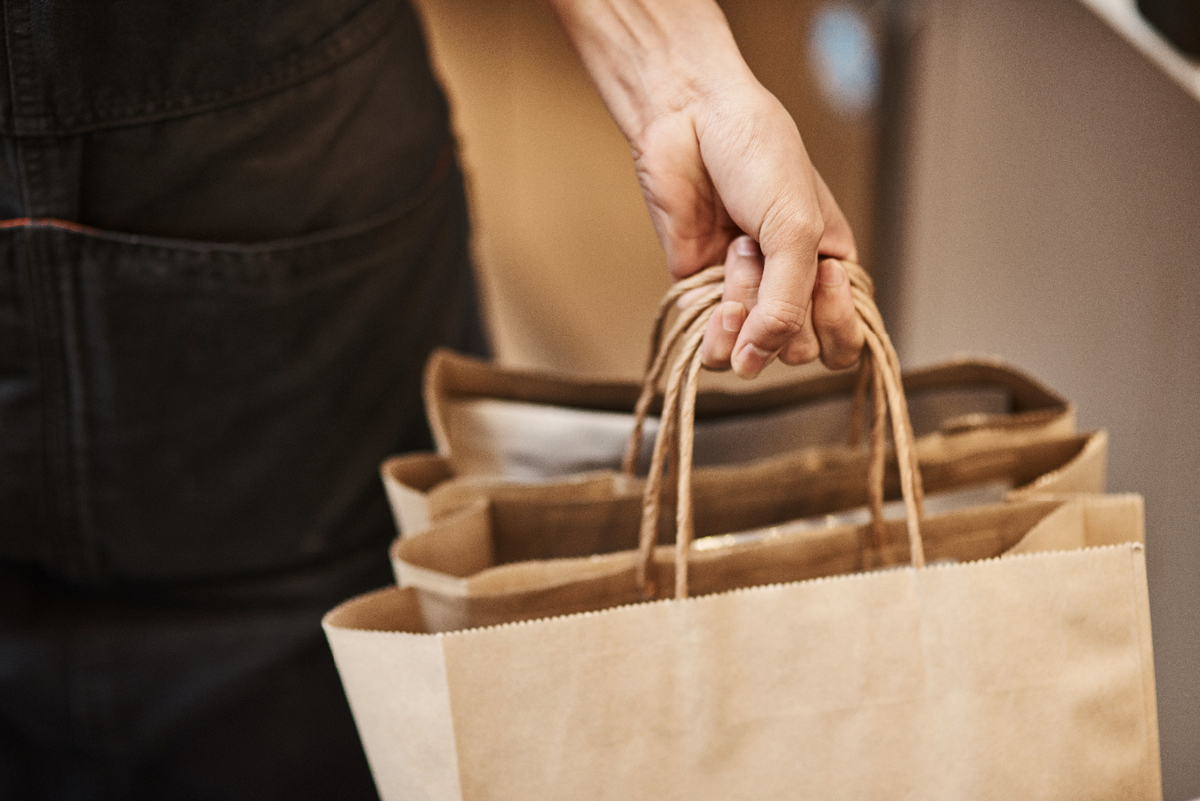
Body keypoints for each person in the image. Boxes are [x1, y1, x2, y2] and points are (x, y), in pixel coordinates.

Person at [0, 0, 862, 798]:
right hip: (278, 167)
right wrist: (676, 76)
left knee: (363, 668)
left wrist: (680, 83)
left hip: (275, 180)